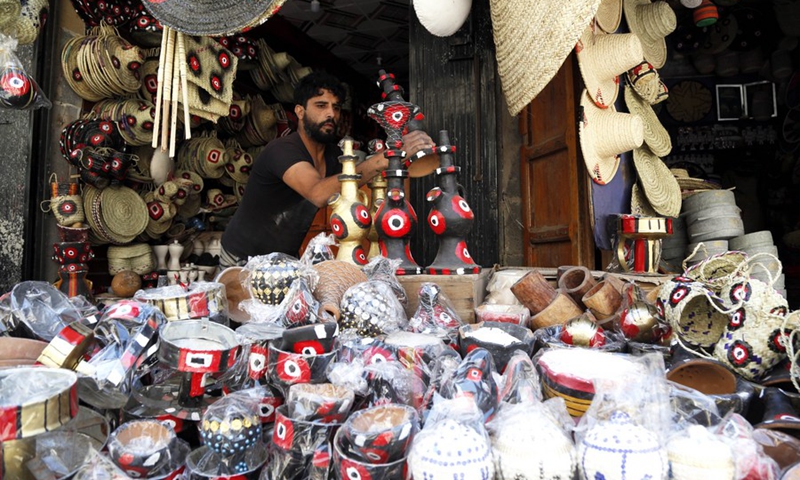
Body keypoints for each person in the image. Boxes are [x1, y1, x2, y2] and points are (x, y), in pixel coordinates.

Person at [220, 72, 433, 266]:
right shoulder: (282, 150)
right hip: (242, 258)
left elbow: (366, 180)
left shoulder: (333, 156)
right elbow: (318, 192)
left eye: (336, 107)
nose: (331, 113)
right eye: (321, 106)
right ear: (300, 111)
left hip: (284, 259)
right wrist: (383, 158)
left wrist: (403, 157)